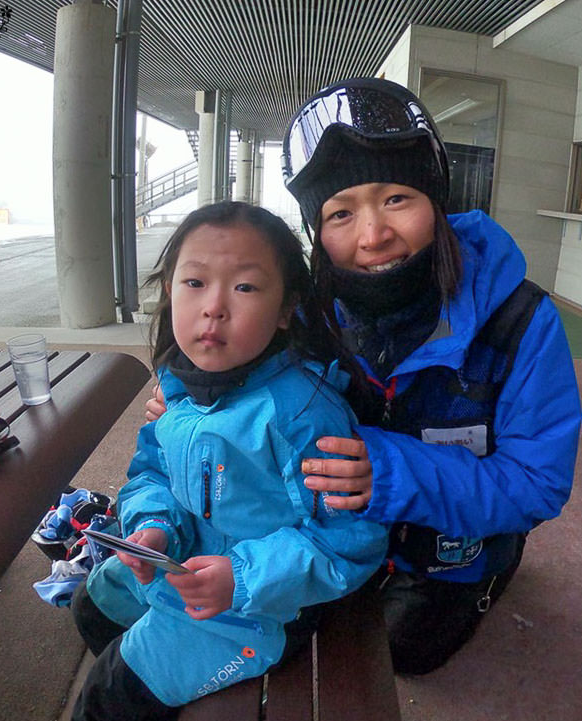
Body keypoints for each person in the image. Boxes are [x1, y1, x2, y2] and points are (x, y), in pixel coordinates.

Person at [148, 78, 582, 675]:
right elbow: (234, 376)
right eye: (341, 213)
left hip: (445, 546)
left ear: (436, 200)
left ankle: (499, 565)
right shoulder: (302, 313)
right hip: (329, 534)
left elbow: (538, 482)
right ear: (316, 231)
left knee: (401, 652)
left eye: (397, 199)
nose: (373, 236)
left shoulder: (520, 321)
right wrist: (191, 403)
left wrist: (390, 470)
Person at [71, 201, 388, 721]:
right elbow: (151, 472)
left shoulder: (302, 415)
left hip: (259, 606)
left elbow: (348, 539)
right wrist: (153, 528)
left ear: (286, 311)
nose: (213, 306)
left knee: (105, 697)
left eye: (244, 287)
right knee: (94, 603)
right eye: (194, 283)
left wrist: (240, 577)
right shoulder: (178, 385)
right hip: (182, 567)